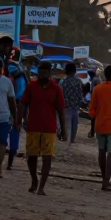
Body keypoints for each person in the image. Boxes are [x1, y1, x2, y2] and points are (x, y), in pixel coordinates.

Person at [19, 61, 66, 195]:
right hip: (33, 127)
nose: (43, 74)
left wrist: (63, 130)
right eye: (41, 72)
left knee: (47, 157)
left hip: (49, 129)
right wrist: (19, 120)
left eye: (46, 72)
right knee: (32, 157)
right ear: (38, 72)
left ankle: (41, 187)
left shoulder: (56, 88)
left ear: (50, 73)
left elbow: (61, 110)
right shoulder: (31, 86)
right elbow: (23, 104)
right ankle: (34, 179)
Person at [5, 48, 28, 169]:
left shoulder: (9, 67)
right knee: (14, 130)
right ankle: (9, 159)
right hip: (16, 104)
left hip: (10, 104)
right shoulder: (19, 70)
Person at [61, 61, 84, 146]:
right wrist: (79, 103)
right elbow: (80, 94)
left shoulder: (63, 82)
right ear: (74, 71)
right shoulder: (78, 81)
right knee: (75, 124)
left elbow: (61, 95)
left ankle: (67, 140)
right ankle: (72, 140)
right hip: (75, 107)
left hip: (66, 107)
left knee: (67, 125)